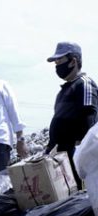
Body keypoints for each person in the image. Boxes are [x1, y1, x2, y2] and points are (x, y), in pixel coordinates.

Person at [46, 41, 98, 190]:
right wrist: (49, 150)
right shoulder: (63, 91)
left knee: (80, 196)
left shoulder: (84, 84)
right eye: (55, 62)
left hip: (76, 155)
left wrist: (82, 151)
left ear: (73, 61)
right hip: (61, 157)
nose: (57, 66)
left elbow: (90, 117)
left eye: (59, 61)